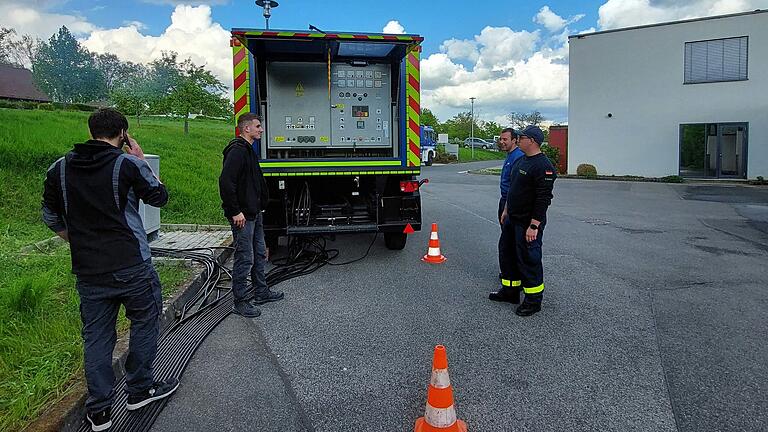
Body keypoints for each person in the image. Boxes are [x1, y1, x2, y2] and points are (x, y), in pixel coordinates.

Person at [42, 108, 178, 431]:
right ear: (123, 135)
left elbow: (50, 217)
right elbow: (160, 196)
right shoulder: (128, 164)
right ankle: (139, 389)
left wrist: (76, 241)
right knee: (145, 321)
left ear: (90, 133)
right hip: (132, 266)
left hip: (89, 272)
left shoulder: (58, 169)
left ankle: (100, 410)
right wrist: (141, 158)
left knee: (97, 337)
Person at [219, 113, 283, 318]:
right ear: (246, 129)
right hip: (243, 216)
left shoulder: (248, 151)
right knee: (244, 258)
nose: (261, 129)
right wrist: (235, 211)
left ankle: (261, 292)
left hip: (255, 213)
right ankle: (240, 301)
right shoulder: (237, 151)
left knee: (259, 254)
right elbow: (226, 182)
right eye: (257, 126)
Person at [489, 125, 556, 316]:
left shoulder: (543, 166)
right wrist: (506, 211)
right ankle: (510, 291)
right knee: (507, 253)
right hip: (512, 218)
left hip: (528, 222)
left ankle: (533, 300)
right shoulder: (521, 161)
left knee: (529, 259)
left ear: (532, 141)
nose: (518, 140)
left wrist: (534, 225)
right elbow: (513, 189)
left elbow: (543, 200)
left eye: (522, 137)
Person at [494, 128, 525, 293]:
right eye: (501, 139)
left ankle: (514, 275)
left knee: (510, 242)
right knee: (507, 240)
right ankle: (510, 273)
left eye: (505, 139)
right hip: (505, 200)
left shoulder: (518, 157)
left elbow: (515, 184)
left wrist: (507, 207)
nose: (502, 142)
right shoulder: (510, 156)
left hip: (510, 203)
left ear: (515, 140)